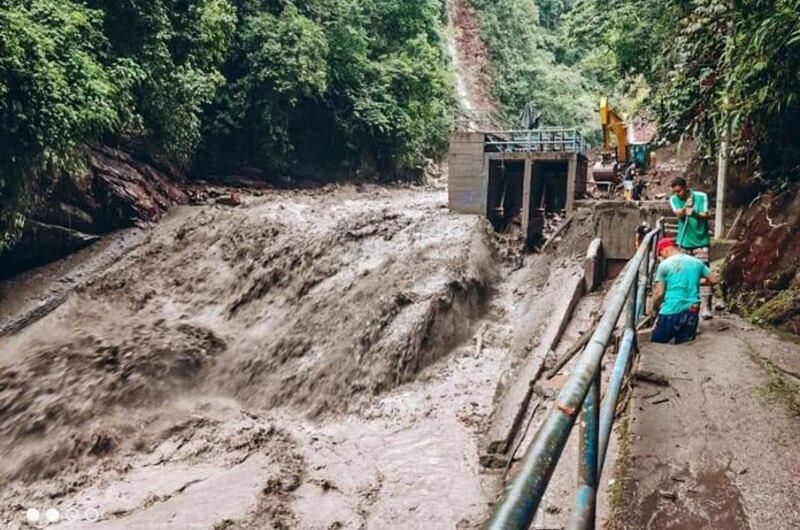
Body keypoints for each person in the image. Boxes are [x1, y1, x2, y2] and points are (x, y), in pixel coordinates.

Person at [651, 237, 718, 344]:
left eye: (661, 254)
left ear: (666, 250)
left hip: (670, 311)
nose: (661, 257)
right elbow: (714, 280)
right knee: (684, 345)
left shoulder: (664, 265)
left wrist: (654, 310)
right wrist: (696, 281)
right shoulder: (697, 262)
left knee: (656, 344)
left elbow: (659, 294)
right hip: (692, 311)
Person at [669, 176, 713, 319]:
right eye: (675, 191)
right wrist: (685, 208)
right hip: (684, 242)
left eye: (679, 191)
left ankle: (706, 306)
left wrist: (693, 212)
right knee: (684, 274)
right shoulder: (674, 199)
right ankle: (687, 305)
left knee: (703, 273)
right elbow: (678, 213)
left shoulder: (701, 196)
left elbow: (706, 215)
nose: (677, 194)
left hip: (700, 241)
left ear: (685, 187)